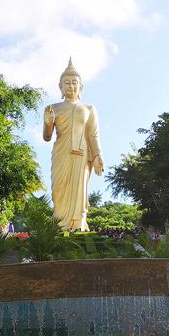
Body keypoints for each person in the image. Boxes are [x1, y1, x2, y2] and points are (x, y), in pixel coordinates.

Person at [43, 58, 103, 232]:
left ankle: (78, 224)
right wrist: (48, 123)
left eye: (74, 83)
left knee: (79, 188)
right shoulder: (53, 108)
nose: (70, 86)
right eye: (67, 83)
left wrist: (98, 155)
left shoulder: (89, 109)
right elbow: (47, 137)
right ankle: (59, 225)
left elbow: (93, 134)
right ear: (60, 87)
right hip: (61, 153)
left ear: (81, 86)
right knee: (58, 189)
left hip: (82, 153)